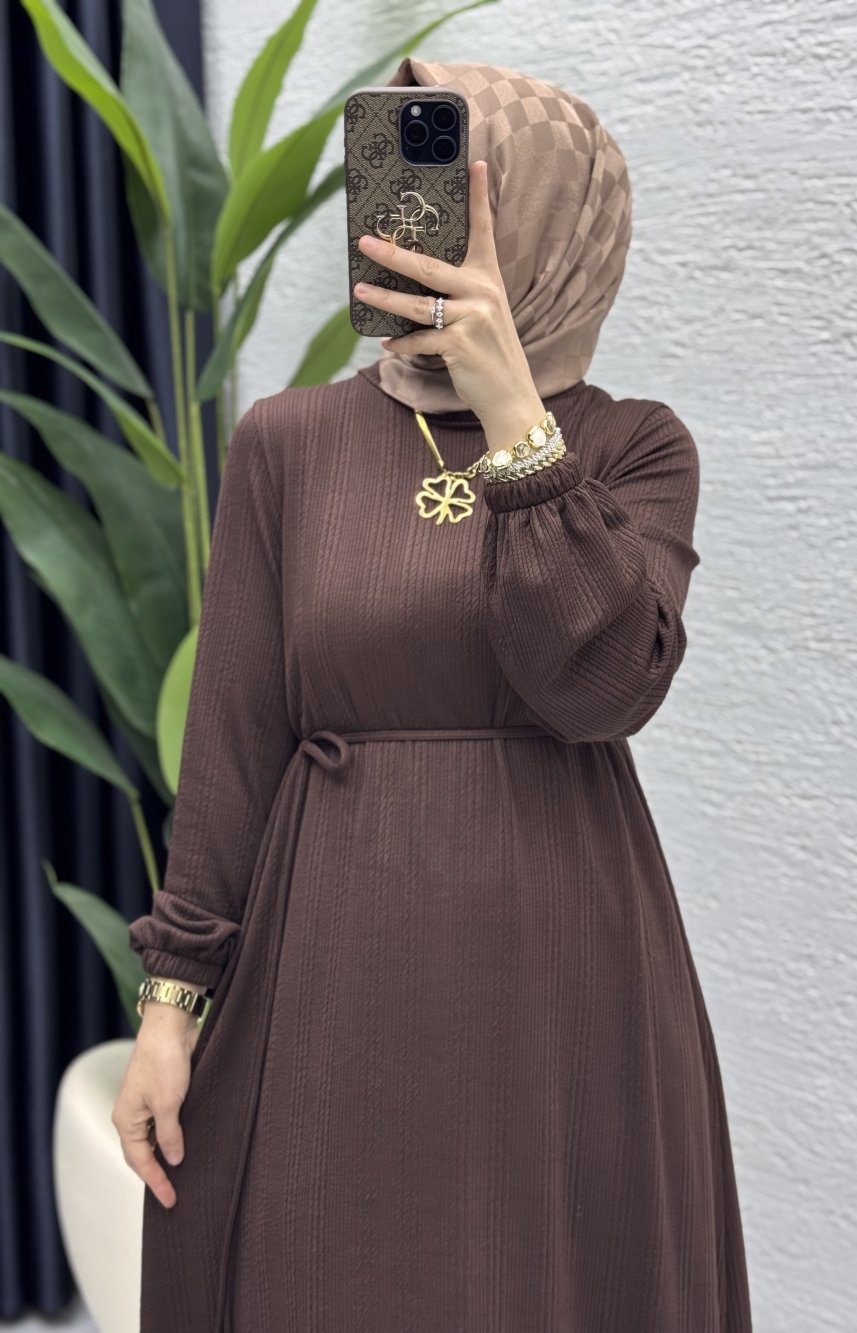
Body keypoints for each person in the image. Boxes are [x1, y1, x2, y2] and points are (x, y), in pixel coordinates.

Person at [112, 57, 753, 1332]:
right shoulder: (288, 442)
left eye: (464, 198)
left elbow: (604, 683)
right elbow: (234, 739)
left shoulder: (634, 447)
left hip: (563, 967)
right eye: (400, 187)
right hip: (334, 959)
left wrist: (512, 406)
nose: (412, 229)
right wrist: (170, 1009)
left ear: (551, 223)